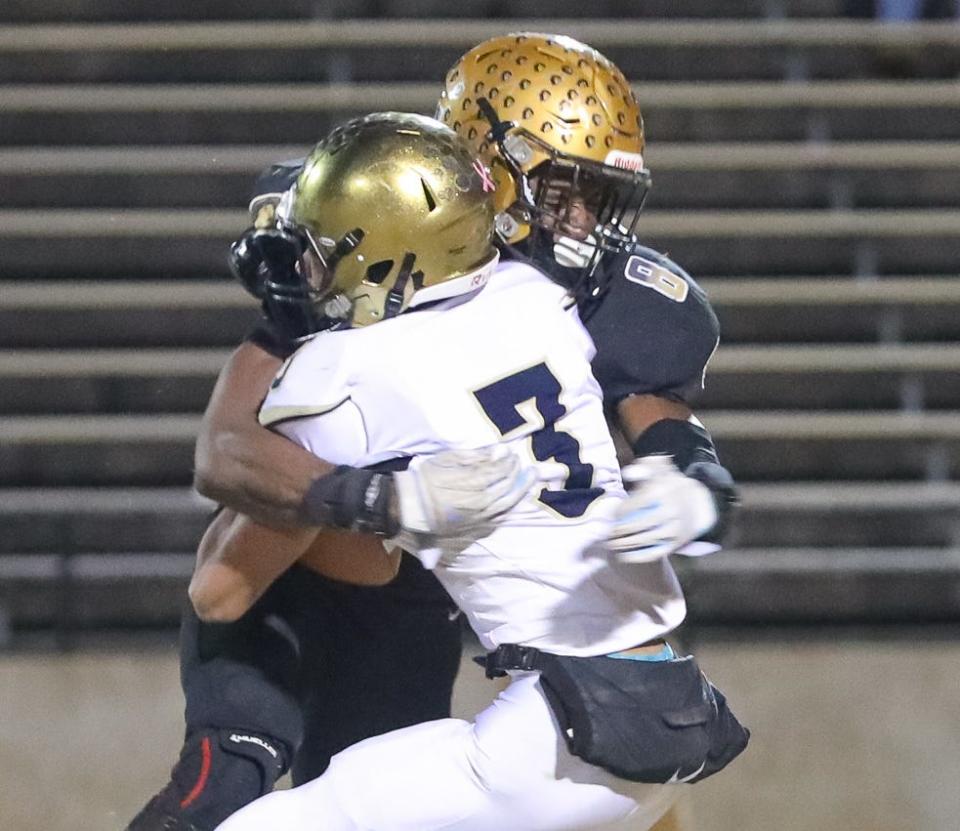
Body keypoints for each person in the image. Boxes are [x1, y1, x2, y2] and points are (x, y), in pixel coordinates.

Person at [127, 34, 737, 831]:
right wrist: (379, 497)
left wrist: (694, 480)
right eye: (561, 192)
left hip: (458, 602)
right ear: (484, 167)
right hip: (314, 566)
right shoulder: (374, 224)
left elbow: (661, 419)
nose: (585, 223)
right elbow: (226, 473)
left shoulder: (558, 298)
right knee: (231, 780)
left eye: (599, 196)